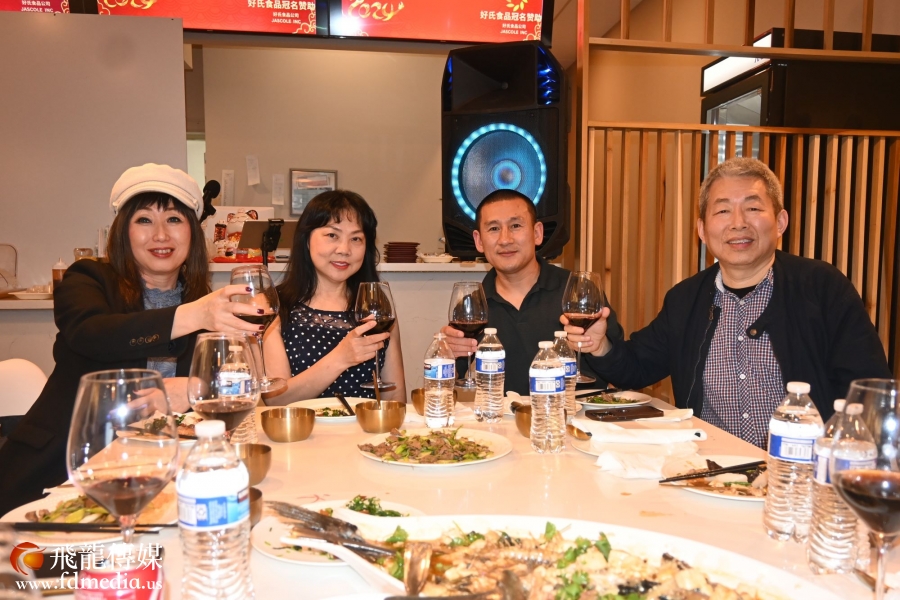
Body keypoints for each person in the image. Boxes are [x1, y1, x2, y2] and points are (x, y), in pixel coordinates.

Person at [567, 157, 891, 449]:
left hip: (799, 473)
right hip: (711, 470)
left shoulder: (822, 288)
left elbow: (867, 390)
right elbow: (638, 366)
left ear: (780, 222)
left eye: (753, 208)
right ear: (702, 230)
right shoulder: (685, 299)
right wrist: (600, 345)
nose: (738, 223)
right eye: (722, 210)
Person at [0, 163, 263, 515]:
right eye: (144, 220)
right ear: (123, 232)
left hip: (159, 474)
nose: (160, 235)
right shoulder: (88, 278)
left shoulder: (202, 303)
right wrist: (194, 316)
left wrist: (195, 387)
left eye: (174, 219)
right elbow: (92, 334)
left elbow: (233, 382)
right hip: (64, 468)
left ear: (192, 232)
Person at [441, 189, 623, 395]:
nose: (505, 239)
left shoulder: (578, 291)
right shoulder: (472, 307)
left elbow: (623, 373)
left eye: (515, 226)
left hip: (574, 413)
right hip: (499, 415)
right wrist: (447, 355)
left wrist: (601, 347)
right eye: (493, 228)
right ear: (479, 241)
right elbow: (455, 384)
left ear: (537, 233)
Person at [263, 190, 406, 404]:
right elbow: (276, 400)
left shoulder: (376, 308)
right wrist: (341, 358)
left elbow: (394, 397)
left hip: (364, 425)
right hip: (303, 426)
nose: (344, 250)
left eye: (356, 238)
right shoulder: (272, 305)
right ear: (306, 239)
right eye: (332, 235)